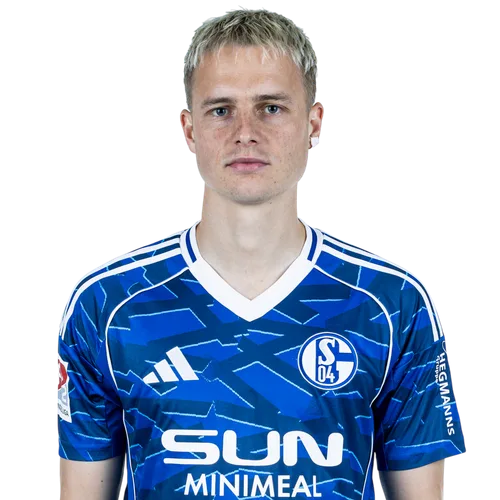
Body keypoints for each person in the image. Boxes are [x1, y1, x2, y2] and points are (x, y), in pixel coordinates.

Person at [57, 7, 467, 499]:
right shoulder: (108, 304)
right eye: (221, 110)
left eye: (271, 107)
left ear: (314, 122)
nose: (245, 132)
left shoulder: (389, 303)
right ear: (188, 130)